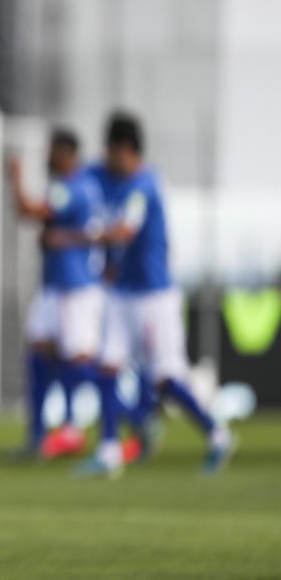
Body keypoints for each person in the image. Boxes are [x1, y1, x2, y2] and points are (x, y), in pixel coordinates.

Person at [75, 112, 233, 478]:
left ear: (126, 149)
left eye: (112, 149)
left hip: (154, 296)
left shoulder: (145, 183)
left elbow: (126, 231)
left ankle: (217, 434)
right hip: (121, 292)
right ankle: (110, 450)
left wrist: (80, 238)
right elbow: (79, 183)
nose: (108, 157)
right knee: (108, 367)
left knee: (166, 378)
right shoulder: (102, 175)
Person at [8, 128, 104, 460]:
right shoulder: (67, 186)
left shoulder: (74, 187)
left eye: (51, 151)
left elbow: (30, 211)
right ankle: (39, 436)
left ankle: (127, 412)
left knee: (78, 360)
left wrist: (16, 179)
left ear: (65, 153)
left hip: (74, 288)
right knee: (39, 353)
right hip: (54, 287)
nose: (47, 156)